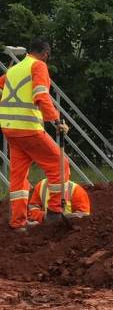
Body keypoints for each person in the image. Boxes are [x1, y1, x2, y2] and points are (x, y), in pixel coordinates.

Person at [0, 40, 69, 231]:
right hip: (28, 128)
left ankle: (18, 222)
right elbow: (42, 96)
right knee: (59, 164)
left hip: (10, 129)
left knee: (19, 176)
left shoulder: (13, 70)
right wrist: (56, 121)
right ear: (45, 54)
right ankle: (55, 212)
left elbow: (1, 88)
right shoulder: (38, 66)